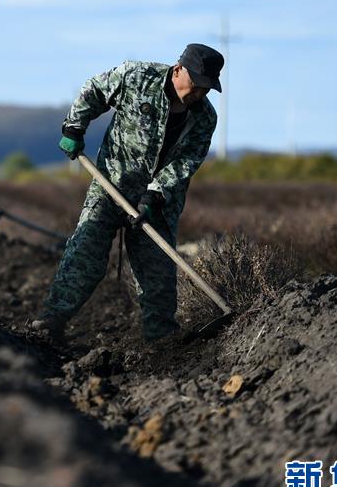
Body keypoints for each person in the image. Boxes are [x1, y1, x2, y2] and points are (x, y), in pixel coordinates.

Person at [32, 44, 224, 342]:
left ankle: (161, 344)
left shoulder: (204, 119)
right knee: (85, 252)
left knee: (157, 276)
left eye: (207, 88)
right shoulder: (136, 76)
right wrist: (74, 127)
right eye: (196, 83)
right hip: (112, 184)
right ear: (178, 70)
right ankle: (51, 321)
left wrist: (155, 195)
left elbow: (186, 162)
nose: (199, 92)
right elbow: (94, 90)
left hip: (157, 203)